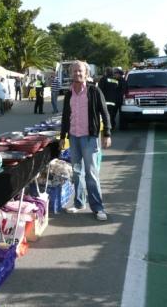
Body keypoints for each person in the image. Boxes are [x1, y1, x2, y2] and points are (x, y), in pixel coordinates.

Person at [59, 60, 112, 221]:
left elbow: (105, 112)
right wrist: (63, 137)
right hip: (74, 137)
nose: (77, 74)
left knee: (91, 174)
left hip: (90, 138)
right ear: (71, 74)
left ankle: (98, 208)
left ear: (86, 73)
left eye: (80, 71)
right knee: (76, 172)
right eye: (74, 71)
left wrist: (107, 133)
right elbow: (66, 117)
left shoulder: (94, 91)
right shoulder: (69, 94)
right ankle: (79, 203)